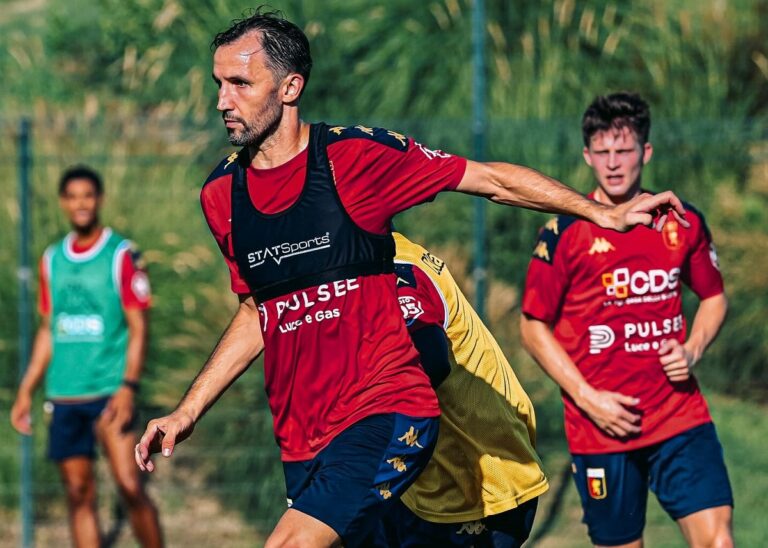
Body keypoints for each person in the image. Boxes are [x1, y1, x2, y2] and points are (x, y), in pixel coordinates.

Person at [134, 11, 687, 548]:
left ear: (290, 87)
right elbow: (259, 311)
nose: (222, 101)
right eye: (218, 83)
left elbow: (490, 179)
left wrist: (601, 214)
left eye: (239, 83)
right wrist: (188, 410)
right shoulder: (220, 195)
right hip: (303, 436)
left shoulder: (354, 158)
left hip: (384, 407)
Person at [520, 92, 733, 548]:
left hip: (679, 414)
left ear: (646, 153)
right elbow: (532, 325)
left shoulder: (681, 221)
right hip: (601, 427)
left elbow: (714, 298)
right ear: (587, 156)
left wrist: (692, 349)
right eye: (602, 151)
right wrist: (586, 397)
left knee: (718, 541)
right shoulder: (565, 231)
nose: (613, 163)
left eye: (624, 150)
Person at [11, 166, 163, 548]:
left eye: (88, 195)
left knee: (130, 486)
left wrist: (128, 386)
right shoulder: (52, 259)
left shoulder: (121, 254)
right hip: (65, 394)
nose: (81, 203)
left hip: (110, 392)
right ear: (64, 202)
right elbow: (49, 328)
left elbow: (138, 326)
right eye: (73, 196)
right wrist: (26, 389)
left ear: (99, 200)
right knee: (79, 493)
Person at [375, 231, 547, 547]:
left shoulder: (395, 267)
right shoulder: (367, 263)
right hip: (430, 481)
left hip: (476, 481)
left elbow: (431, 361)